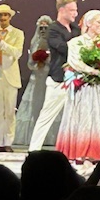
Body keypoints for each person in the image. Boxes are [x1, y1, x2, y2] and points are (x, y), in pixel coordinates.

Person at [55, 10, 100, 161]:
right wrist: (93, 71)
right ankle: (80, 151)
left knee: (97, 117)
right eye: (98, 22)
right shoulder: (75, 42)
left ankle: (96, 152)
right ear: (88, 23)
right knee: (83, 117)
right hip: (83, 86)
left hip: (98, 87)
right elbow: (75, 62)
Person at [28, 0, 80, 152]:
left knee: (75, 118)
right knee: (47, 115)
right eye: (72, 10)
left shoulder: (76, 29)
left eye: (76, 10)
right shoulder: (53, 30)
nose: (75, 13)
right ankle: (33, 150)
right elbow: (63, 48)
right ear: (62, 10)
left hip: (77, 79)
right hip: (59, 79)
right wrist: (80, 46)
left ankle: (72, 151)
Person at [14, 14, 57, 147]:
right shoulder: (34, 42)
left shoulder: (53, 42)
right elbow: (29, 62)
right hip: (36, 78)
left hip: (48, 77)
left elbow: (56, 60)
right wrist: (36, 63)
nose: (43, 30)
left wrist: (46, 61)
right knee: (34, 107)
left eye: (46, 27)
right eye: (41, 27)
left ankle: (50, 138)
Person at [0, 3, 24, 152]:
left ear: (10, 17)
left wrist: (0, 42)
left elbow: (17, 53)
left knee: (9, 110)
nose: (3, 18)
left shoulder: (17, 33)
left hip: (10, 75)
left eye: (5, 15)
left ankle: (8, 141)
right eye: (0, 15)